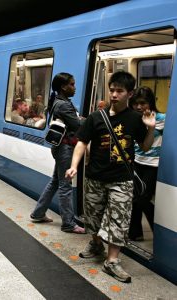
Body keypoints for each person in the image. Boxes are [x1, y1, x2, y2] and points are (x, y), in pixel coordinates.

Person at [65, 71, 156, 283]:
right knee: (94, 217)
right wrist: (74, 166)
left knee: (119, 220)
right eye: (112, 90)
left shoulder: (135, 119)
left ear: (130, 93)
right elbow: (82, 142)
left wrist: (150, 129)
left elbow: (144, 146)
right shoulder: (96, 117)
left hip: (122, 179)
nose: (114, 94)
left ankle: (112, 260)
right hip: (95, 177)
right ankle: (96, 244)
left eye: (119, 91)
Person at [30, 73, 85, 234]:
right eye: (72, 85)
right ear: (63, 87)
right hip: (65, 149)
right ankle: (68, 223)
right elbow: (76, 125)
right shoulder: (64, 105)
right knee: (65, 185)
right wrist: (86, 119)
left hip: (60, 147)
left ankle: (38, 213)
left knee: (55, 181)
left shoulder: (59, 101)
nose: (75, 88)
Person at [128, 86, 165, 241]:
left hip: (153, 164)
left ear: (150, 102)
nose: (139, 107)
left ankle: (160, 232)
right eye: (136, 103)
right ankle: (135, 234)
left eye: (143, 103)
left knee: (142, 199)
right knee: (134, 198)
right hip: (137, 162)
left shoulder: (162, 118)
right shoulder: (133, 118)